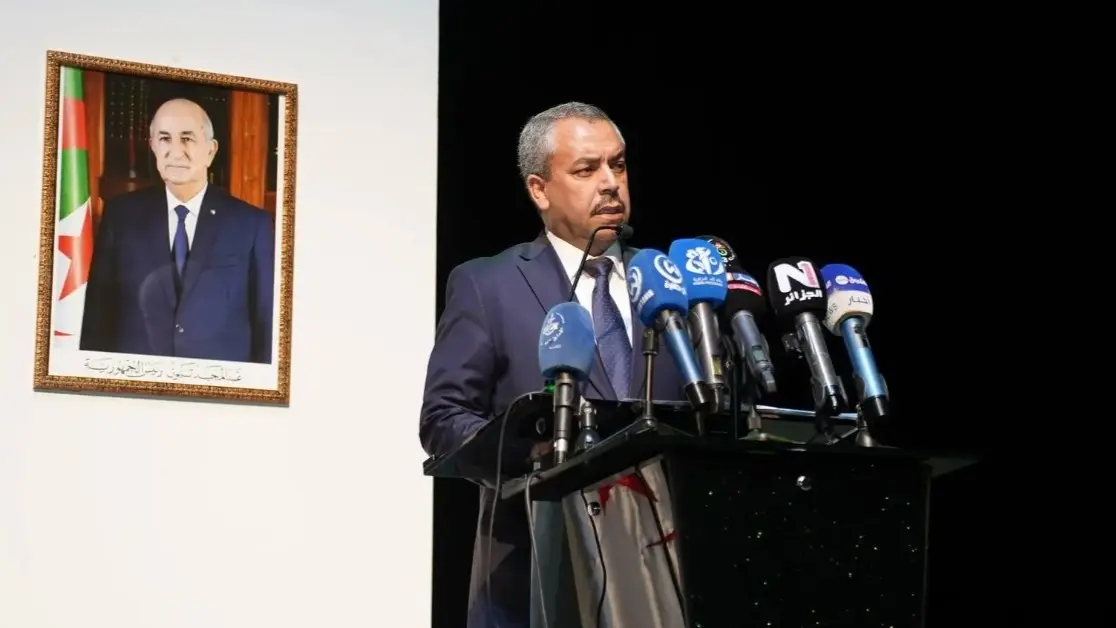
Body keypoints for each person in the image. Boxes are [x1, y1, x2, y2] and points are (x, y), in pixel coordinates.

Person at [420, 102, 687, 627]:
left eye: (618, 165)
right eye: (587, 169)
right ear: (539, 190)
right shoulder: (488, 285)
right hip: (539, 570)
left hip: (669, 573)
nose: (610, 183)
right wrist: (530, 447)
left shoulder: (670, 285)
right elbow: (444, 419)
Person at [80, 98, 275, 364]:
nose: (175, 151)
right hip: (135, 380)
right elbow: (98, 318)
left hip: (217, 383)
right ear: (152, 146)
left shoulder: (251, 224)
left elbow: (266, 326)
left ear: (210, 150)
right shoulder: (121, 216)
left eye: (187, 139)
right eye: (165, 139)